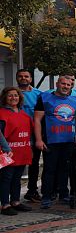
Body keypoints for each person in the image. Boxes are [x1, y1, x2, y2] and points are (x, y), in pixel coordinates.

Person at [34, 75, 76, 209]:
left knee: (65, 169)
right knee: (49, 169)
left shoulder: (75, 101)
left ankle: (63, 194)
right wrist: (39, 139)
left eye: (68, 84)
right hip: (51, 140)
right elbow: (37, 119)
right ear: (57, 84)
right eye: (63, 83)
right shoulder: (44, 98)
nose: (66, 86)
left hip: (69, 141)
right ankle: (46, 196)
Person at [0, 87, 33, 215]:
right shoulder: (2, 113)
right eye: (10, 95)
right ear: (5, 98)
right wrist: (6, 148)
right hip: (8, 152)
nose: (13, 98)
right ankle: (5, 204)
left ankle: (15, 201)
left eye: (16, 95)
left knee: (17, 178)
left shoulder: (23, 113)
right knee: (6, 178)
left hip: (22, 151)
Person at [16, 69, 43, 202]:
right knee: (16, 164)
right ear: (17, 78)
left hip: (34, 133)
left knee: (34, 163)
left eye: (26, 76)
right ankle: (13, 195)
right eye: (20, 76)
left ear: (31, 79)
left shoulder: (38, 94)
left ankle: (32, 191)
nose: (23, 78)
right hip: (16, 135)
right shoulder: (12, 94)